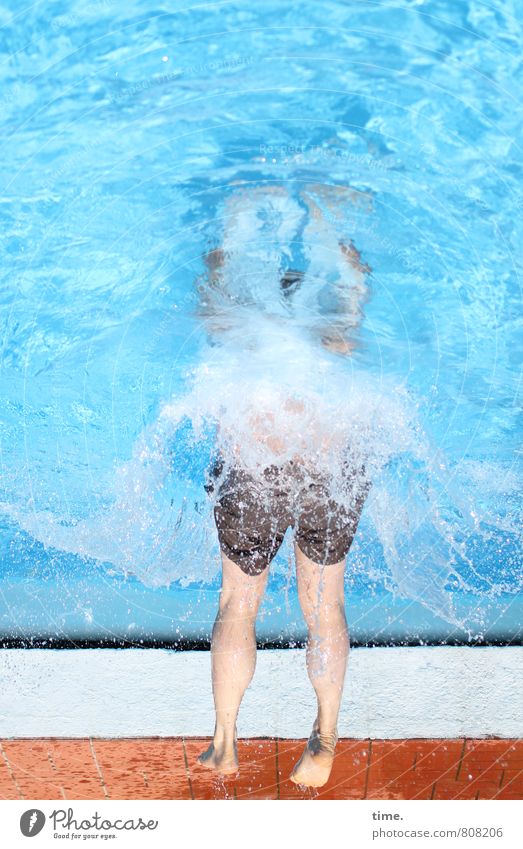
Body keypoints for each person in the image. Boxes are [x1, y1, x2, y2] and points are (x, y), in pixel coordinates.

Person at [196, 184, 372, 787]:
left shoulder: (242, 340)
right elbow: (353, 290)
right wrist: (338, 244)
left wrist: (224, 243)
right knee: (324, 607)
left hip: (256, 471)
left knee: (236, 604)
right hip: (330, 470)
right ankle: (322, 740)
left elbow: (214, 294)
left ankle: (224, 742)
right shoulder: (337, 343)